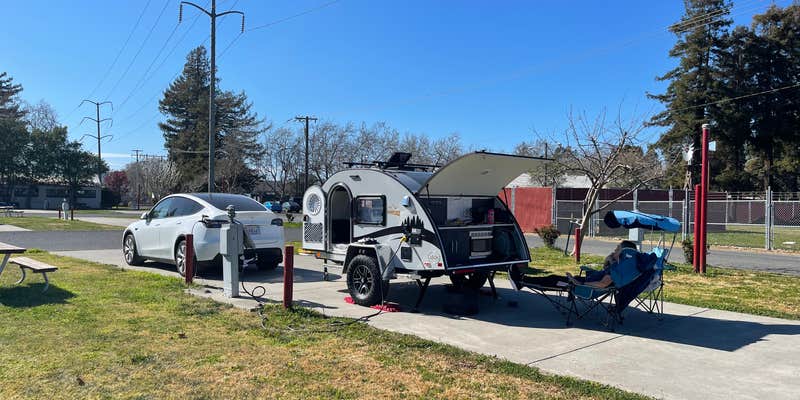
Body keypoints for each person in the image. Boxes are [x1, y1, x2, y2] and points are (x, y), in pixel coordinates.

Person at [566, 240, 638, 288]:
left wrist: (580, 283)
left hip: (589, 285)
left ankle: (572, 282)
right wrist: (608, 260)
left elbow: (603, 284)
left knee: (567, 281)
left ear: (623, 253)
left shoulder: (616, 270)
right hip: (591, 279)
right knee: (569, 279)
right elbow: (605, 269)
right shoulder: (617, 265)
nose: (615, 250)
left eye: (618, 248)